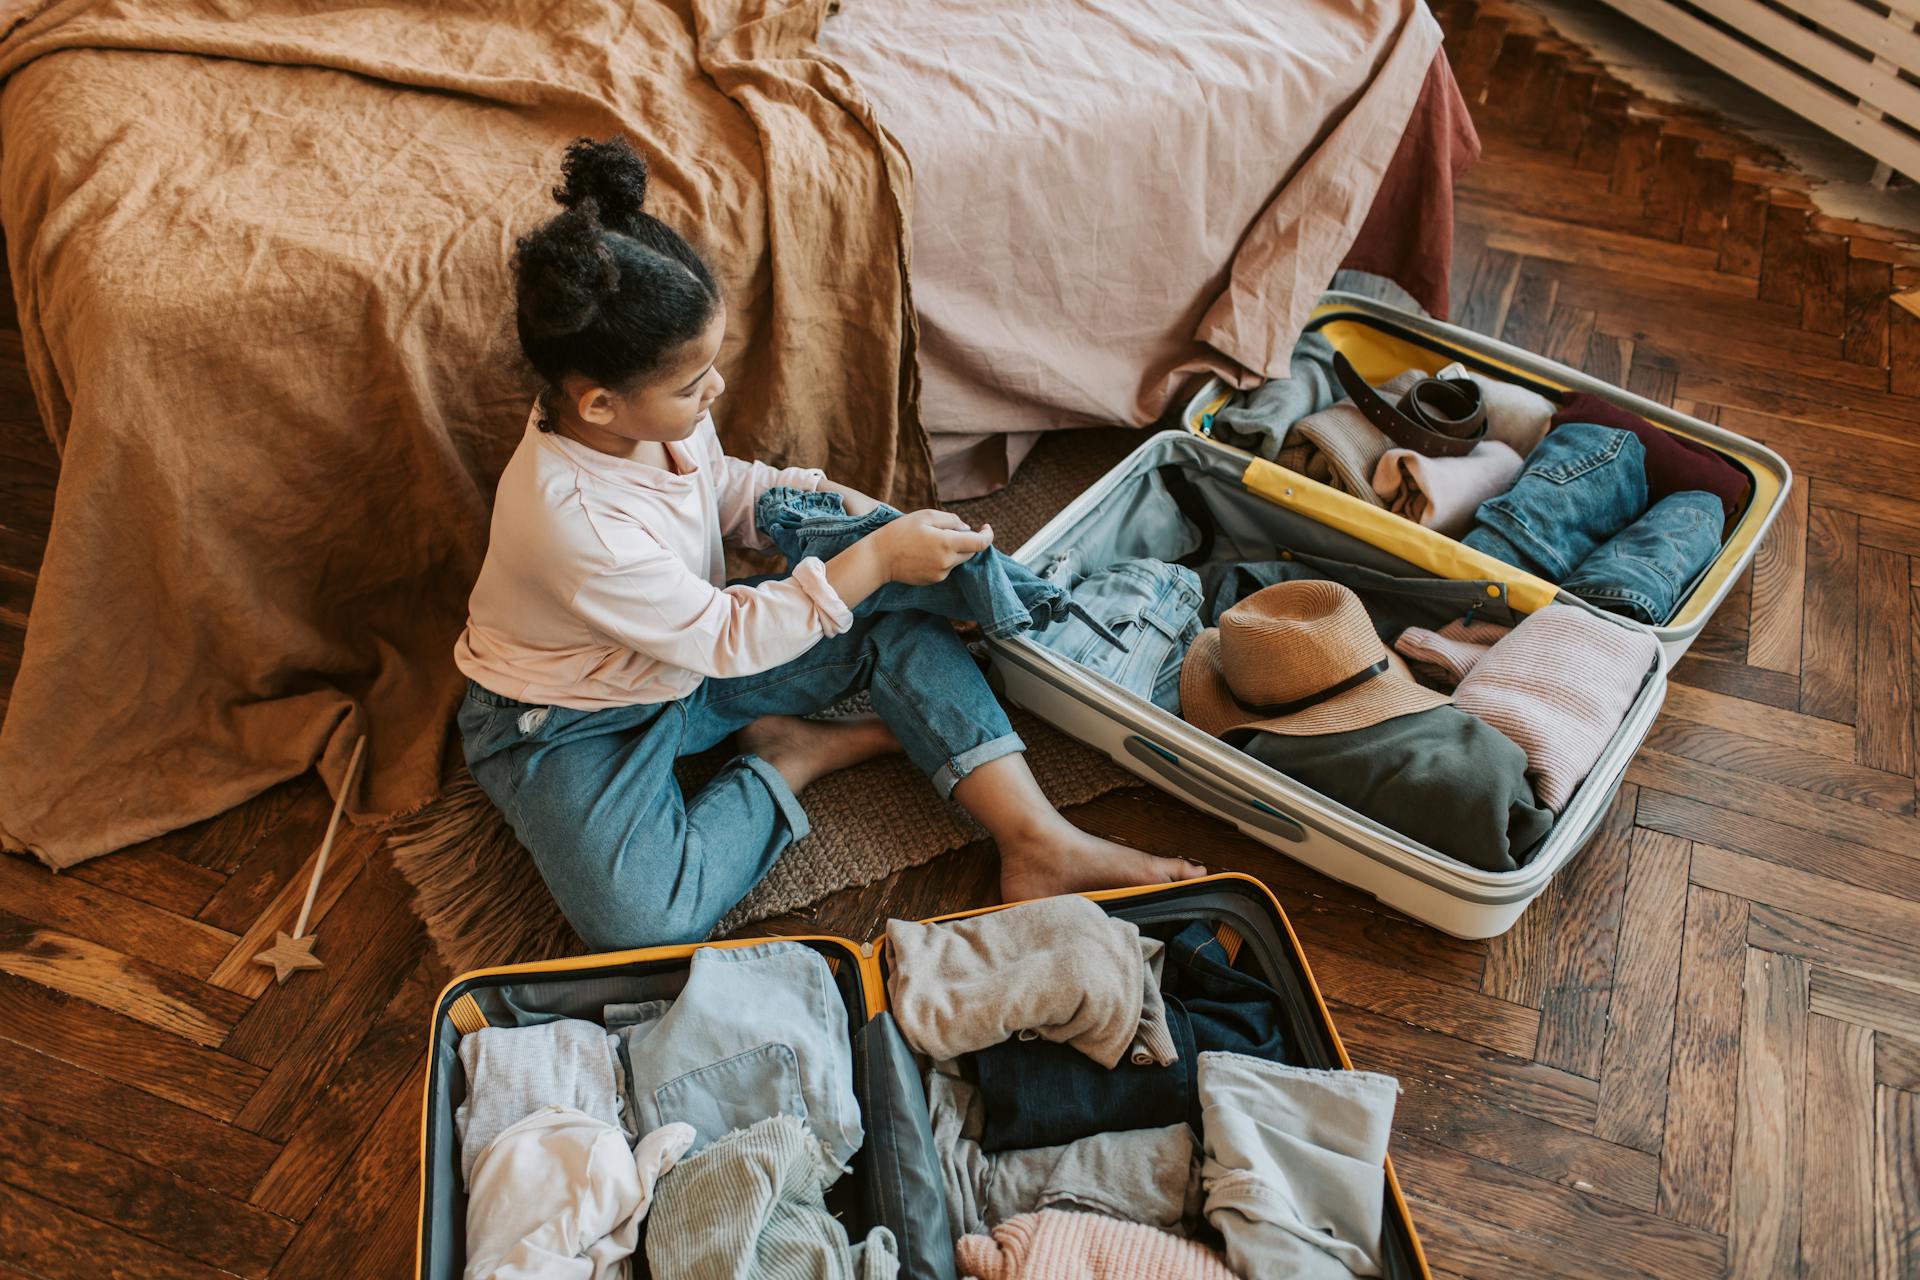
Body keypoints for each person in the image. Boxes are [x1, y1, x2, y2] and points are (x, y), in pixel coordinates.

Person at [454, 136, 1201, 949]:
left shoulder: (646, 425)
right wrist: (873, 558)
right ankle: (790, 759)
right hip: (573, 716)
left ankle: (1037, 839)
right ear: (599, 405)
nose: (717, 389)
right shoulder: (573, 522)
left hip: (686, 663)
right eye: (690, 384)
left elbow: (726, 488)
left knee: (892, 614)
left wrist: (839, 517)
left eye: (713, 365)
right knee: (638, 918)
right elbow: (729, 635)